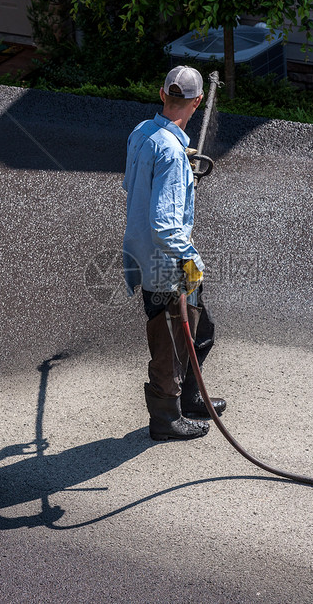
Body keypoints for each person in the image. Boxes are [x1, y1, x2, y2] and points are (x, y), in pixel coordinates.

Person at [122, 65, 227, 441]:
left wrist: (182, 159)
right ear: (197, 101)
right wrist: (190, 260)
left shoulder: (143, 133)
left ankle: (191, 396)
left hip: (143, 252)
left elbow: (132, 184)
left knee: (201, 329)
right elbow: (165, 225)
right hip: (165, 261)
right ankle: (166, 419)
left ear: (162, 94)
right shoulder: (169, 150)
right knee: (169, 339)